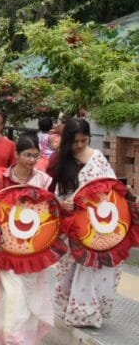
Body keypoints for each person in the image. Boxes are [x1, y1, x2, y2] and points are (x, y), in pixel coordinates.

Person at [0, 133, 54, 344]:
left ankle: (5, 338)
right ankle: (14, 339)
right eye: (27, 155)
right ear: (17, 154)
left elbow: (50, 212)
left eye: (35, 156)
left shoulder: (43, 180)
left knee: (29, 298)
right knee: (13, 295)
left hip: (33, 248)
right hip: (4, 248)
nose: (31, 160)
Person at [48, 118, 121, 328]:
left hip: (98, 222)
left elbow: (112, 187)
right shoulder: (60, 161)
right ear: (67, 140)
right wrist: (63, 203)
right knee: (71, 265)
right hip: (72, 223)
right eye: (75, 141)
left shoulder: (98, 159)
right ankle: (68, 306)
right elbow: (53, 195)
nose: (79, 145)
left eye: (83, 140)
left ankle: (87, 312)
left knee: (92, 266)